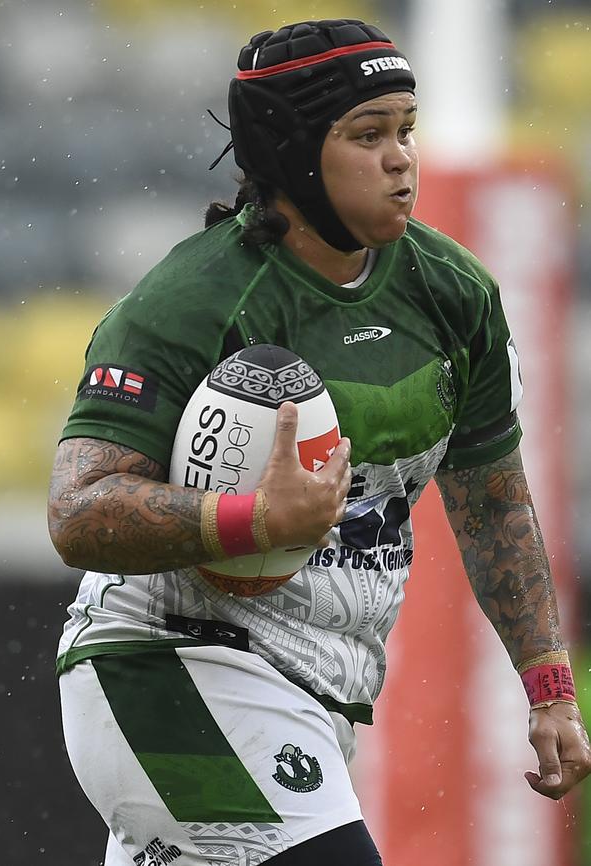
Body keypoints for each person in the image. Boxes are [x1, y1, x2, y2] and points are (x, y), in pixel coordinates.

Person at [48, 18, 591, 866]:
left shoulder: (454, 294)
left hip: (319, 695)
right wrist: (252, 518)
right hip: (167, 666)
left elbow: (493, 505)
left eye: (406, 130)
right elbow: (78, 514)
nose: (401, 157)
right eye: (367, 135)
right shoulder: (188, 303)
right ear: (293, 151)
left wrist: (548, 686)